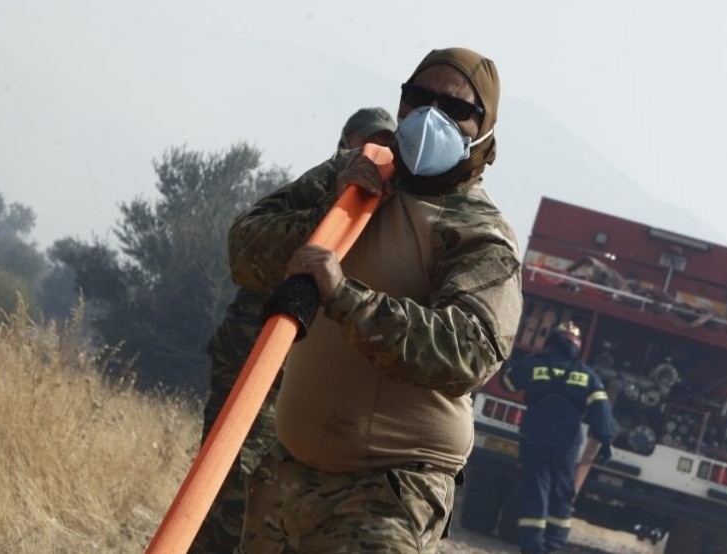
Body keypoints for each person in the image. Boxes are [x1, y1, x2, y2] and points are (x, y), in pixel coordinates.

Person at [228, 47, 523, 553]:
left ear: (485, 129)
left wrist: (344, 297)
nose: (432, 116)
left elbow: (467, 353)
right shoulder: (353, 173)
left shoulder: (478, 234)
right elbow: (245, 251)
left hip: (388, 491)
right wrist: (324, 217)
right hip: (288, 477)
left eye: (455, 109)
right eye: (419, 98)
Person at [188, 107, 397, 554]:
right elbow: (248, 249)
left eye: (385, 146)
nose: (373, 154)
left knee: (282, 503)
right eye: (366, 142)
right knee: (229, 486)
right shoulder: (316, 189)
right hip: (254, 363)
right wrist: (329, 215)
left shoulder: (391, 210)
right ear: (345, 142)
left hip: (316, 388)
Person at [501, 321, 615, 554]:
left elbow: (508, 383)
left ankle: (533, 547)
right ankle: (553, 546)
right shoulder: (586, 375)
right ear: (578, 346)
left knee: (536, 490)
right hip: (567, 445)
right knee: (563, 493)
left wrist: (516, 360)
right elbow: (602, 409)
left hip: (536, 438)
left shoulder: (535, 365)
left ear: (551, 342)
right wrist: (605, 440)